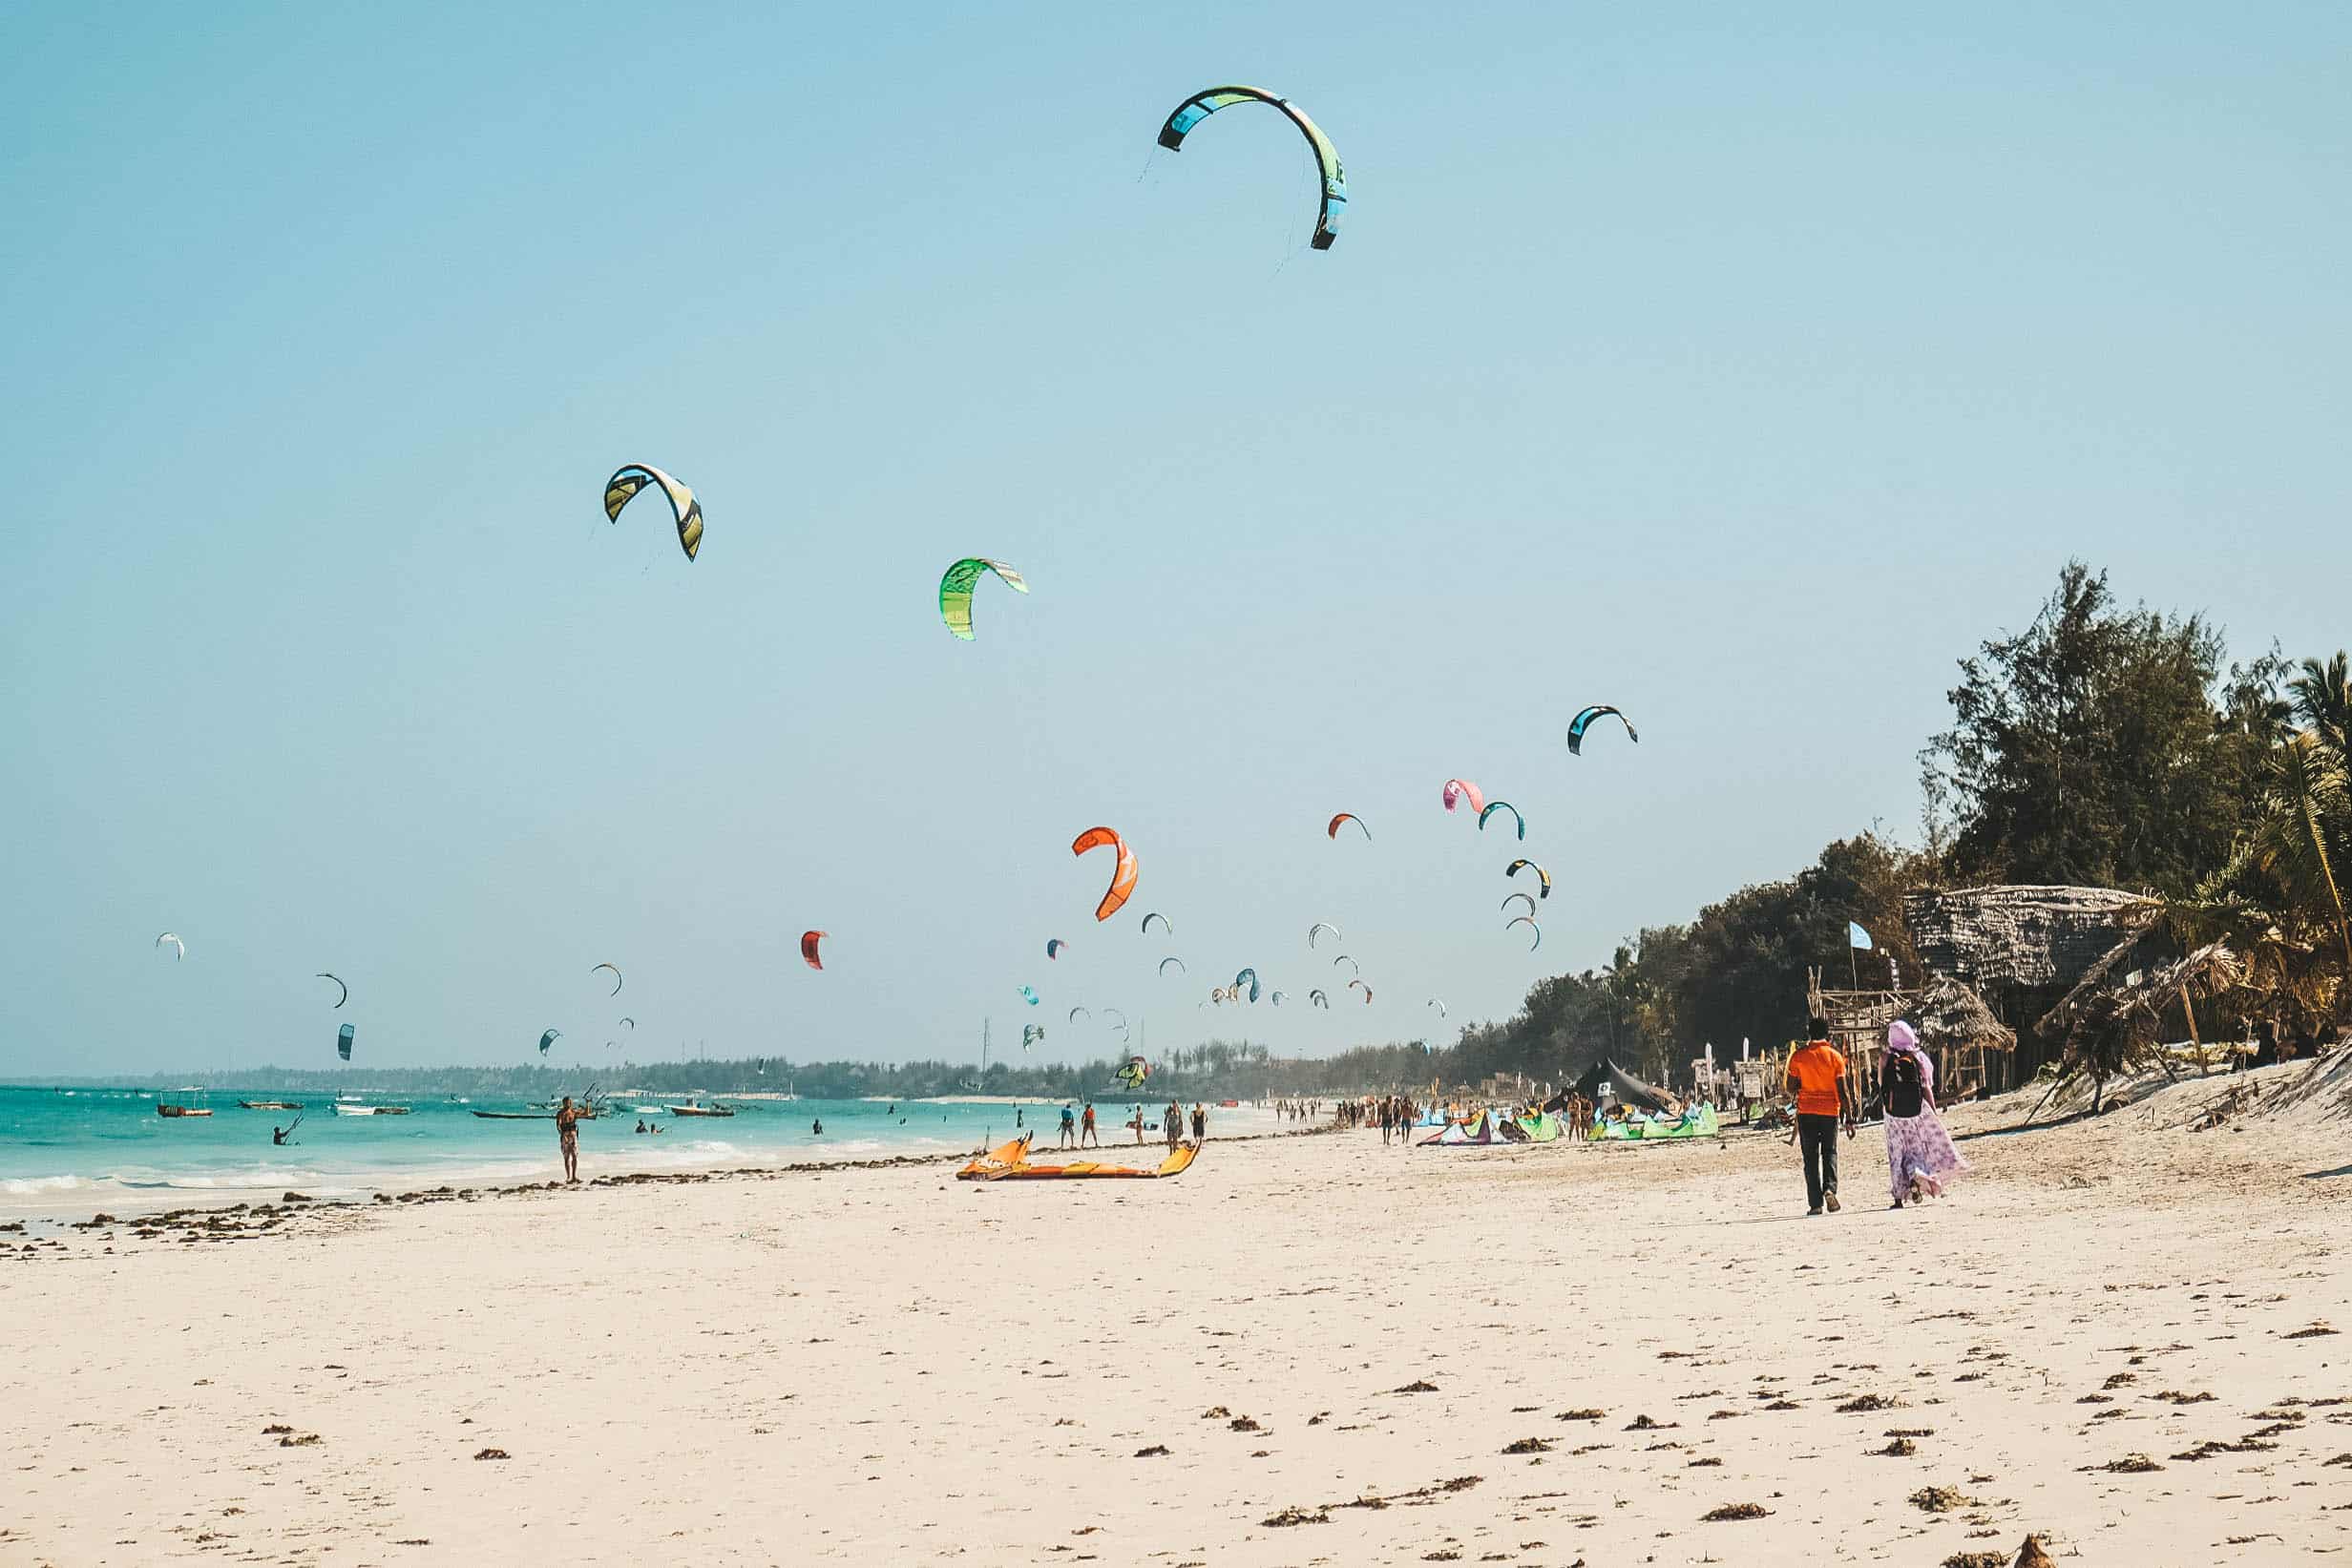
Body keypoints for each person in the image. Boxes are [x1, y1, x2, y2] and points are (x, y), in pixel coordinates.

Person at [1882, 1021, 1970, 1207]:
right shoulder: (1919, 1059)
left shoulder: (1885, 1059)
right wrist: (1933, 1112)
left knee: (1896, 1153)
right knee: (1917, 1149)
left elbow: (1882, 1084)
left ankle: (1898, 1197)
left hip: (1892, 1114)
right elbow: (1927, 1088)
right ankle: (1917, 1175)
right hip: (1916, 1111)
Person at [1785, 1018, 1850, 1215]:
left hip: (1806, 1112)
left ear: (1809, 1034)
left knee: (1810, 1158)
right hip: (1830, 1111)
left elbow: (1790, 1087)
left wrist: (1801, 1085)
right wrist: (1850, 1117)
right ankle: (1830, 1188)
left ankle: (1815, 1204)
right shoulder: (1835, 1057)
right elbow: (1843, 1090)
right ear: (1828, 1034)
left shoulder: (1798, 1057)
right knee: (1829, 1152)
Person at [555, 1096, 586, 1184]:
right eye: (566, 1102)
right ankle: (568, 1177)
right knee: (567, 1157)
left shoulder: (573, 1111)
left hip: (573, 1135)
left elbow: (585, 1114)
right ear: (563, 1103)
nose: (567, 1104)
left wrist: (588, 1103)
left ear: (571, 1103)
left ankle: (574, 1176)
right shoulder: (560, 1113)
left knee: (575, 1156)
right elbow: (558, 1125)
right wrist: (562, 1135)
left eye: (569, 1102)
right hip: (565, 1135)